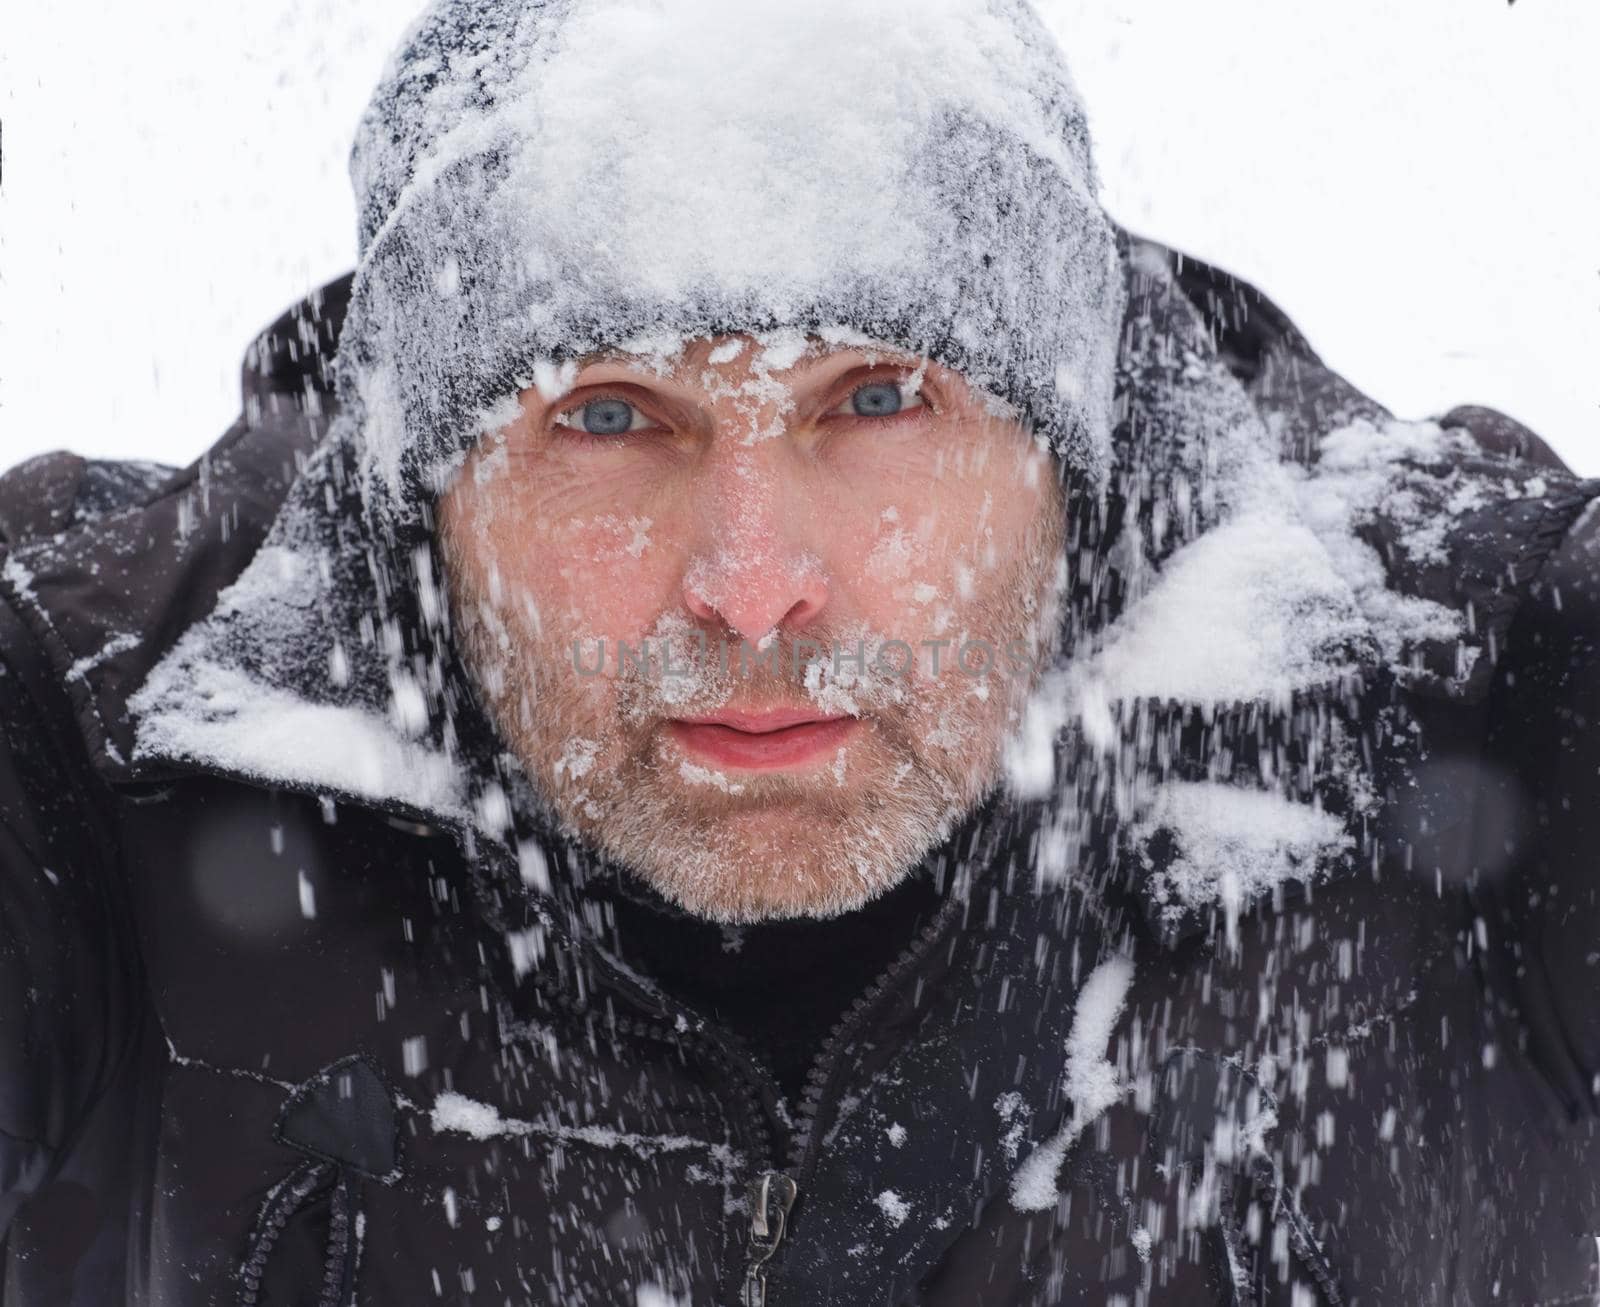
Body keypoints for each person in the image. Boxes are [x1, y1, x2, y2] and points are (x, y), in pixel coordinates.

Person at [2, 1, 1597, 1303]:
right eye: (608, 414)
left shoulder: (1470, 693)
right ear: (426, 491)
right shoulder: (95, 724)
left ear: (1072, 450)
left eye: (880, 397)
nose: (752, 588)